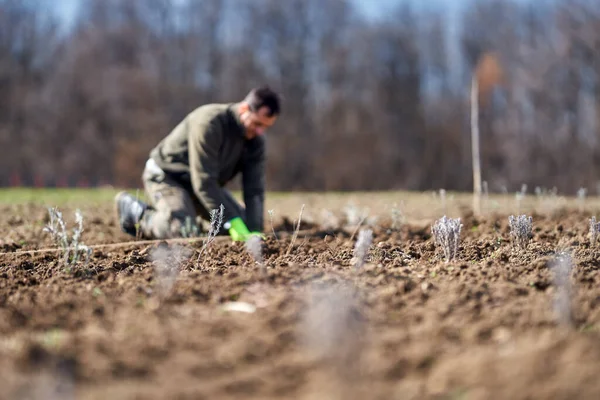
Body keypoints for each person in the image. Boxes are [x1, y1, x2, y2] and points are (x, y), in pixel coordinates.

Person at [114, 86, 281, 241]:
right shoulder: (210, 123)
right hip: (167, 176)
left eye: (266, 127)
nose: (260, 131)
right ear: (244, 109)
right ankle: (137, 213)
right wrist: (231, 222)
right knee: (181, 230)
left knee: (239, 223)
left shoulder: (256, 141)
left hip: (203, 185)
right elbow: (204, 181)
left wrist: (254, 230)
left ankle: (191, 220)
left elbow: (254, 190)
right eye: (257, 124)